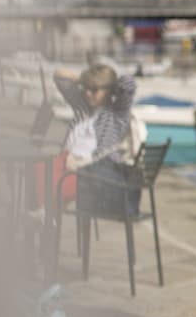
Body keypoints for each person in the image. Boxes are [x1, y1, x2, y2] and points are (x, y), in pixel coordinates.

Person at [53, 63, 142, 217]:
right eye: (86, 88)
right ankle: (48, 214)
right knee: (43, 169)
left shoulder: (116, 113)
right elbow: (60, 76)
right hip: (69, 164)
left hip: (92, 172)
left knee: (49, 175)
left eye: (94, 90)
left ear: (109, 91)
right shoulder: (82, 108)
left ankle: (48, 216)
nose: (88, 93)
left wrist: (109, 85)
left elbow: (128, 84)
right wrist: (85, 79)